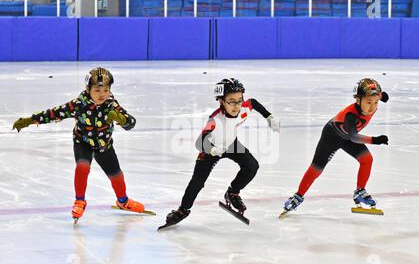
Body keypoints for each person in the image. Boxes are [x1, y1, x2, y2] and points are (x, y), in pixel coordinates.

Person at [12, 67, 145, 223]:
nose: (102, 94)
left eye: (106, 90)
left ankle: (123, 201)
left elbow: (131, 123)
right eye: (97, 90)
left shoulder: (111, 105)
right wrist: (30, 120)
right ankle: (79, 201)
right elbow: (55, 113)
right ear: (88, 89)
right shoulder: (78, 104)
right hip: (82, 142)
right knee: (83, 167)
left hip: (104, 145)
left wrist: (122, 120)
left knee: (116, 175)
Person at [161, 78, 280, 228]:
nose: (237, 106)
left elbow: (253, 103)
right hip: (210, 149)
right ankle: (183, 210)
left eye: (239, 100)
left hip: (230, 144)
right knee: (197, 182)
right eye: (231, 101)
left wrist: (269, 117)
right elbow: (199, 142)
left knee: (252, 166)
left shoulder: (243, 108)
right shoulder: (215, 119)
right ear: (221, 101)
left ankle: (233, 193)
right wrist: (212, 150)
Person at [282, 78, 389, 216]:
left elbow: (381, 96)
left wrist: (383, 96)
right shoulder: (351, 115)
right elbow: (354, 137)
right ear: (358, 100)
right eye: (369, 102)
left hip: (348, 137)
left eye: (376, 102)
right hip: (332, 137)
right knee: (317, 168)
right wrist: (375, 140)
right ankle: (297, 197)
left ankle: (360, 191)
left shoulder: (374, 100)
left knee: (367, 159)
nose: (373, 107)